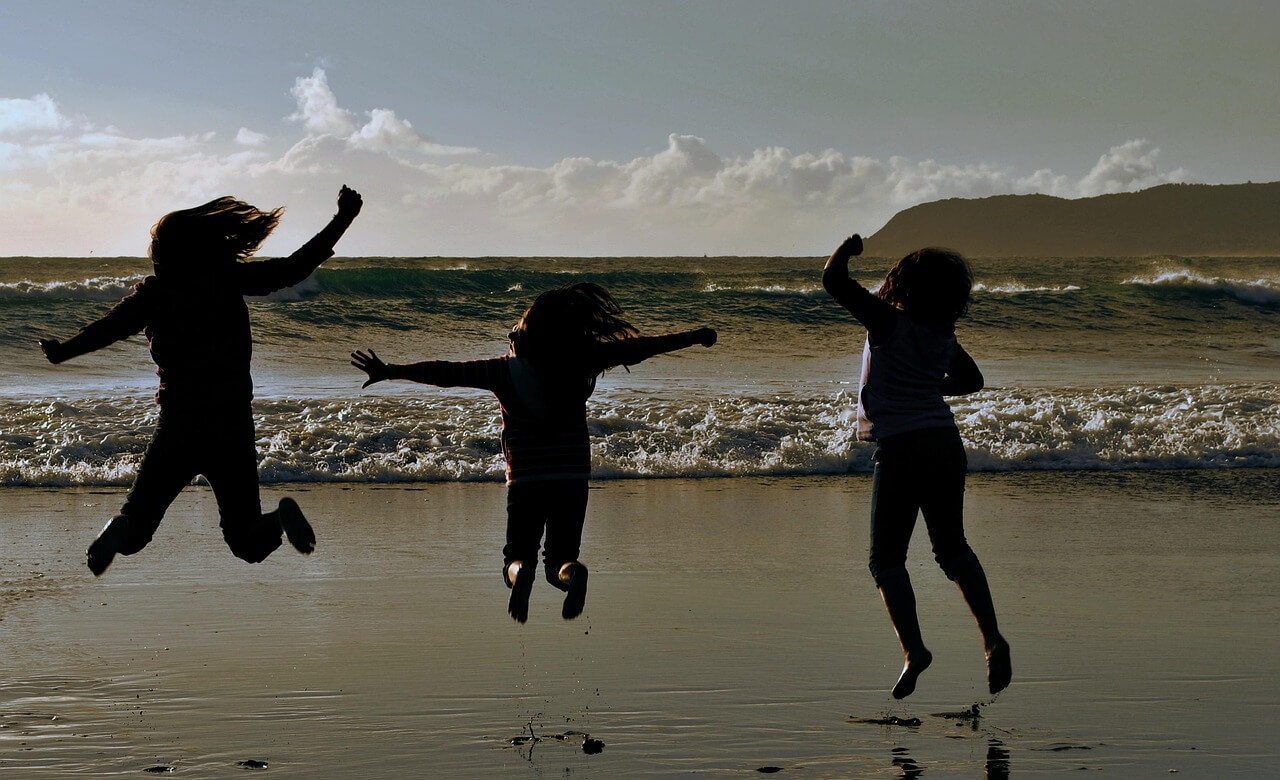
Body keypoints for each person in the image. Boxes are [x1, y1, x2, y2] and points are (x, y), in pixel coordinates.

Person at [40, 186, 363, 576]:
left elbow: (108, 329)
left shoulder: (154, 295)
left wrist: (63, 351)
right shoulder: (226, 280)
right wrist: (343, 218)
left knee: (137, 527)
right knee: (247, 541)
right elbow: (294, 268)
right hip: (231, 426)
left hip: (179, 426)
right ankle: (279, 517)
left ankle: (119, 527)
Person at [351, 282, 716, 623]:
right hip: (572, 477)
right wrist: (694, 336)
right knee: (560, 560)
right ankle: (573, 575)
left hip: (526, 479)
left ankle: (520, 573)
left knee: (517, 557)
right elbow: (642, 348)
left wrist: (391, 371)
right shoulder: (582, 360)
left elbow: (447, 373)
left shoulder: (502, 370)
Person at [822, 233, 1011, 698]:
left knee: (886, 560)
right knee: (952, 549)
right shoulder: (942, 335)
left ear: (903, 284)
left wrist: (847, 248)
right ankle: (992, 638)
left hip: (902, 449)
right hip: (944, 443)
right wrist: (928, 388)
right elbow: (972, 380)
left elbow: (834, 281)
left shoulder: (888, 322)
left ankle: (914, 651)